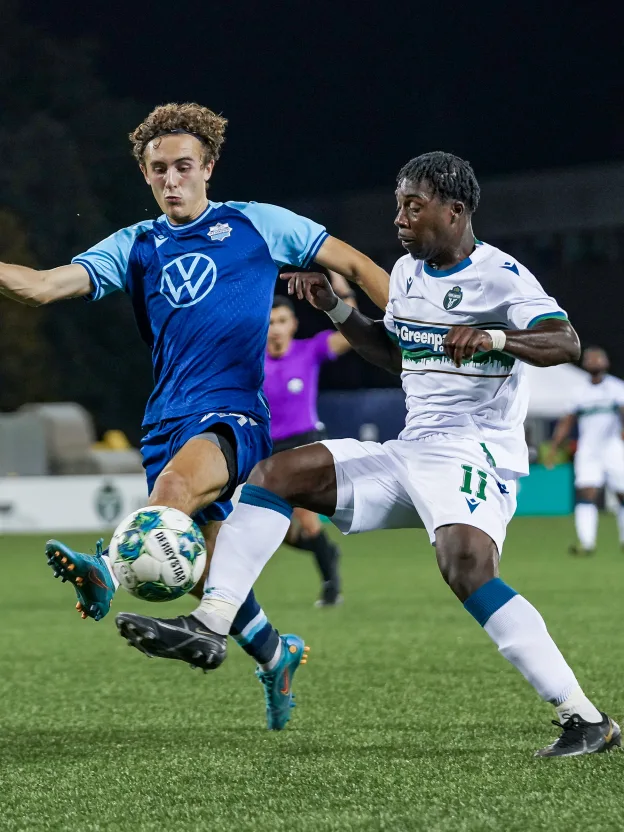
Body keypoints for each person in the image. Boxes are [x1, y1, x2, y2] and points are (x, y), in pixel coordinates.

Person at [118, 151, 619, 758]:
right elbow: (394, 353)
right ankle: (212, 622)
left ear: (455, 210)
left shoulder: (500, 274)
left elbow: (562, 341)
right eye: (398, 205)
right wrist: (332, 305)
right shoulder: (406, 273)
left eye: (415, 205)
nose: (400, 218)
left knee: (466, 569)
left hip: (478, 454)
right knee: (274, 475)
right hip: (413, 450)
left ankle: (585, 718)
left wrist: (491, 336)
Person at [0, 102, 389, 731]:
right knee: (201, 574)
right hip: (164, 422)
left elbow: (355, 265)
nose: (171, 179)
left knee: (173, 494)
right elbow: (45, 286)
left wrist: (414, 323)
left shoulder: (257, 224)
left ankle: (103, 569)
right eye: (159, 170)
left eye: (183, 166)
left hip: (233, 414)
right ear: (147, 177)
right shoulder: (136, 245)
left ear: (208, 167)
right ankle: (276, 654)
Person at [265, 280, 355, 607]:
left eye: (282, 321)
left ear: (293, 325)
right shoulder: (250, 361)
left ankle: (331, 588)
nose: (275, 329)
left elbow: (351, 332)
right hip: (266, 451)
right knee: (275, 531)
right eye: (269, 322)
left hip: (306, 443)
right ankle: (326, 551)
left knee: (305, 515)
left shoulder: (309, 350)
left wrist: (343, 291)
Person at [547, 346, 624, 555]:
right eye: (590, 359)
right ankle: (587, 543)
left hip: (613, 447)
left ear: (606, 363)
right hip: (588, 450)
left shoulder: (616, 388)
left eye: (598, 358)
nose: (594, 362)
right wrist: (554, 447)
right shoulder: (579, 392)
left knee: (622, 494)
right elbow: (567, 421)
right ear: (585, 364)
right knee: (586, 493)